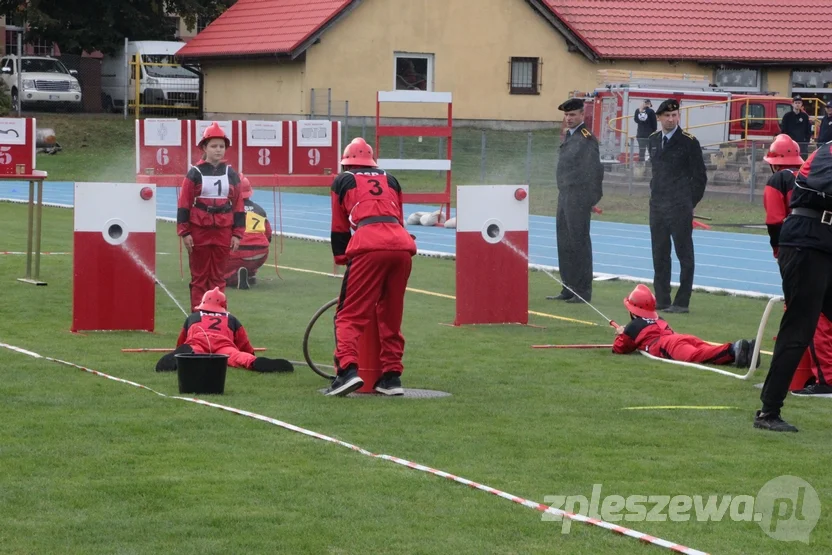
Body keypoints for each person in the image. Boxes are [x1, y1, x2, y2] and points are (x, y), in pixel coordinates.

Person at [327, 137, 417, 397]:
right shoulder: (391, 180)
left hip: (368, 246)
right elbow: (398, 217)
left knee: (348, 314)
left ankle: (346, 371)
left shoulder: (342, 181)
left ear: (347, 164)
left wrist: (341, 258)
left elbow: (339, 226)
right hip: (401, 246)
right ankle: (391, 377)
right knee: (391, 314)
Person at [756, 138, 832, 432]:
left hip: (821, 241)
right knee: (798, 330)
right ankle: (768, 412)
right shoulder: (827, 153)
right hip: (807, 243)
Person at [646, 99, 707, 314]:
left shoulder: (689, 142)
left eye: (674, 115)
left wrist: (690, 202)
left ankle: (682, 302)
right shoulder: (653, 140)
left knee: (684, 254)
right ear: (660, 118)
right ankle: (662, 299)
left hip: (679, 206)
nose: (671, 119)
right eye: (667, 116)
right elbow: (655, 173)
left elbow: (699, 177)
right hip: (658, 206)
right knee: (659, 253)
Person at [177, 122, 245, 311]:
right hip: (199, 231)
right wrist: (185, 232)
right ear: (204, 148)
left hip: (223, 231)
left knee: (218, 277)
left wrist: (237, 234)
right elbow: (184, 204)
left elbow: (239, 205)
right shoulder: (194, 173)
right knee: (199, 277)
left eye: (222, 146)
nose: (218, 150)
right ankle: (197, 316)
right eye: (214, 146)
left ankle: (218, 314)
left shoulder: (231, 174)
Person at [612, 284, 758, 368]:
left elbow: (619, 348)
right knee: (705, 349)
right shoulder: (658, 319)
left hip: (667, 344)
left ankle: (733, 349)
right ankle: (747, 351)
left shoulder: (633, 326)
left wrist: (622, 333)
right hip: (680, 337)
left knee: (696, 356)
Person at [155, 287, 294, 373]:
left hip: (199, 343)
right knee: (237, 357)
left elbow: (182, 340)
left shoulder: (194, 317)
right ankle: (254, 362)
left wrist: (179, 350)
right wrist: (251, 354)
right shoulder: (231, 319)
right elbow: (243, 341)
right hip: (223, 345)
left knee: (192, 351)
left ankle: (183, 358)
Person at [546, 97, 604, 304]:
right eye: (566, 115)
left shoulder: (585, 138)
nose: (568, 118)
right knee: (565, 242)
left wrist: (589, 199)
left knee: (579, 243)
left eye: (572, 115)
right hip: (565, 195)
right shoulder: (570, 137)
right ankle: (568, 287)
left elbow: (595, 171)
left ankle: (582, 291)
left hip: (579, 196)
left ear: (582, 115)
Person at [222, 174, 271, 290]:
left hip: (237, 253)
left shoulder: (228, 210)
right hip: (261, 254)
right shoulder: (260, 210)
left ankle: (234, 277)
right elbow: (268, 235)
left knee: (218, 275)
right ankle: (250, 273)